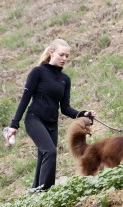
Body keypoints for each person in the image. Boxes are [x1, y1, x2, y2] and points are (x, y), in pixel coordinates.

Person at [7, 38, 96, 191]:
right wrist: (14, 125)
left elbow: (66, 109)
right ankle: (45, 193)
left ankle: (36, 192)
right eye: (61, 55)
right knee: (50, 152)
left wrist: (84, 113)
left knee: (44, 156)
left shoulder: (65, 80)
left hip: (52, 124)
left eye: (67, 56)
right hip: (34, 119)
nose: (64, 59)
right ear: (51, 52)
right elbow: (25, 99)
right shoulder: (38, 72)